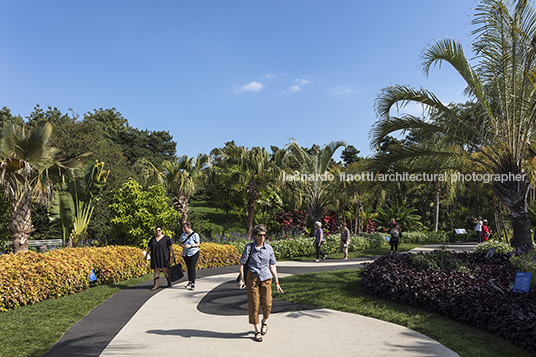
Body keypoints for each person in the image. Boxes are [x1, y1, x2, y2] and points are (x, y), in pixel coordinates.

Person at [237, 224, 284, 342]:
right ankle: (257, 330)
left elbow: (272, 265)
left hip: (266, 277)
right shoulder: (249, 247)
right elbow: (242, 263)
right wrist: (242, 279)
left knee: (267, 304)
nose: (262, 237)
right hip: (251, 277)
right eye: (260, 235)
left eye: (264, 235)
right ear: (255, 236)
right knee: (254, 304)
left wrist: (277, 283)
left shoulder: (269, 248)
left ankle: (264, 322)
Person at [145, 226, 175, 290]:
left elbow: (170, 246)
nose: (157, 232)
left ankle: (169, 281)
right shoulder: (152, 239)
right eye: (156, 231)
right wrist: (146, 254)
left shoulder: (166, 238)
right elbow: (149, 247)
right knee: (156, 270)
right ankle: (156, 284)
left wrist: (173, 253)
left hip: (164, 256)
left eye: (159, 230)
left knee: (164, 270)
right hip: (155, 257)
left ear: (161, 231)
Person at [179, 222, 201, 291]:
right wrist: (183, 246)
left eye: (185, 227)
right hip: (185, 253)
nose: (184, 228)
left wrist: (191, 246)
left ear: (189, 227)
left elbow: (198, 244)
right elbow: (180, 242)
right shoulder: (183, 235)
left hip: (193, 253)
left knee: (192, 267)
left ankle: (193, 283)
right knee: (188, 267)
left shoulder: (195, 235)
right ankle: (190, 281)